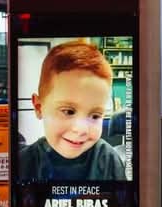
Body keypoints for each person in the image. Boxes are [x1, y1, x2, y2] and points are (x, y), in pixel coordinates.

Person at [18, 40, 126, 182]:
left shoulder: (109, 161)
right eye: (68, 112)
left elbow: (121, 202)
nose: (81, 130)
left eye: (95, 116)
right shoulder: (24, 163)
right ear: (39, 107)